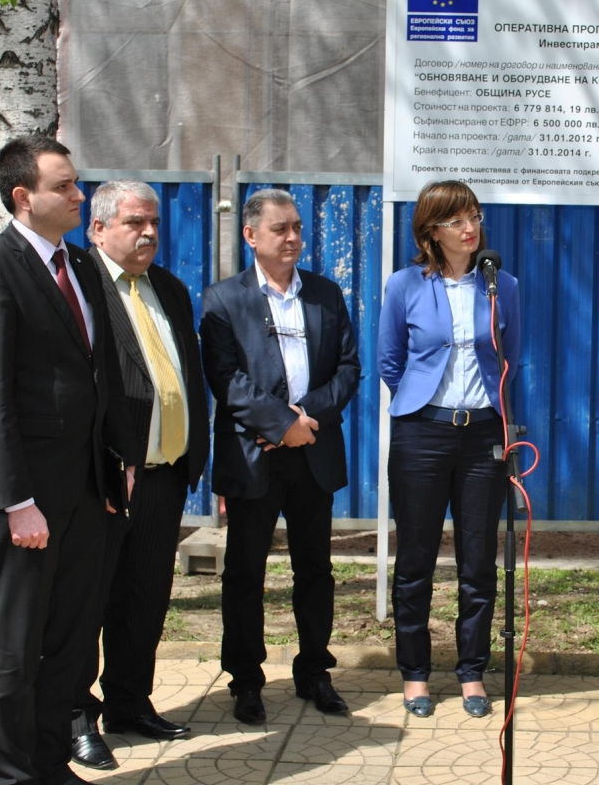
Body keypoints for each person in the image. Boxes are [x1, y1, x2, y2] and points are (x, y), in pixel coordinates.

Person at [0, 135, 134, 785]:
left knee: (70, 639)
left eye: (77, 182)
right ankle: (15, 784)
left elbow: (102, 372)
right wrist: (16, 502)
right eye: (65, 186)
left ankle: (54, 768)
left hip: (85, 492)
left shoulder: (79, 265)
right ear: (24, 197)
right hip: (24, 500)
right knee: (15, 646)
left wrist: (116, 463)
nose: (80, 195)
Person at [200, 188, 360, 724]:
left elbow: (349, 368)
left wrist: (303, 419)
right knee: (245, 573)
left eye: (296, 227)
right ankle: (246, 680)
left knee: (315, 569)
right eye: (280, 229)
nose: (293, 237)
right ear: (251, 235)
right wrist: (278, 424)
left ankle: (314, 671)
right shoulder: (224, 299)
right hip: (254, 455)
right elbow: (225, 377)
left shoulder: (325, 294)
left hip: (312, 450)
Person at [69, 181, 210, 769]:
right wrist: (106, 463)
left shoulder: (168, 287)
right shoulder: (80, 285)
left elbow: (185, 374)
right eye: (134, 222)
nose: (149, 232)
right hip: (105, 480)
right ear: (98, 229)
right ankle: (77, 717)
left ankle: (130, 702)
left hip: (164, 476)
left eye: (153, 222)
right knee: (87, 602)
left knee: (145, 598)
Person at [378, 181, 521, 719]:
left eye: (475, 217)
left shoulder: (502, 285)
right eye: (457, 220)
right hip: (422, 434)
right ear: (431, 231)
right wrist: (423, 406)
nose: (470, 228)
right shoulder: (404, 285)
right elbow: (390, 360)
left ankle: (472, 671)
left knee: (478, 561)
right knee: (415, 559)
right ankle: (415, 674)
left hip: (483, 435)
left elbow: (511, 359)